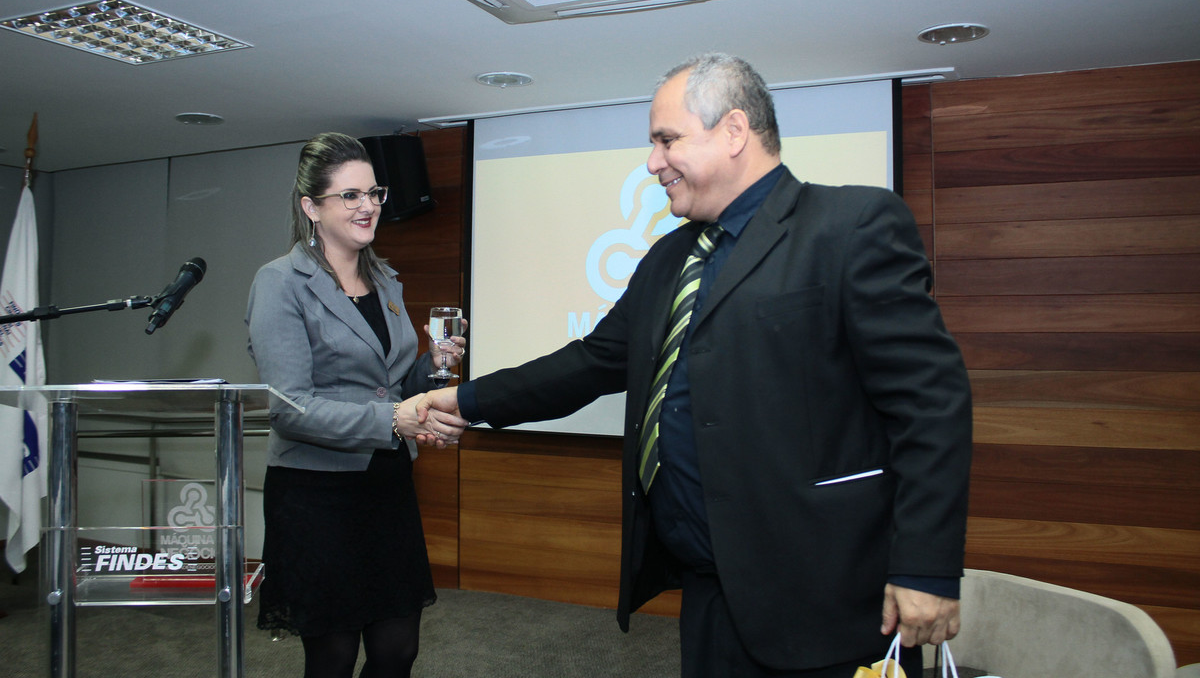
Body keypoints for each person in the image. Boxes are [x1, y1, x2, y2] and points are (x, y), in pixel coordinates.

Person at [417, 54, 972, 677]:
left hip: (824, 593)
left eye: (666, 140)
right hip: (709, 587)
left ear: (734, 131)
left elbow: (931, 404)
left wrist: (925, 566)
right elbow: (590, 362)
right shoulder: (668, 260)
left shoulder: (851, 226)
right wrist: (464, 402)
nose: (653, 162)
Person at [245, 132, 465, 678]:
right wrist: (394, 418)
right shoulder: (279, 283)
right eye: (349, 195)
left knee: (398, 649)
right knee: (333, 655)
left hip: (385, 486)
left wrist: (431, 364)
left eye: (373, 192)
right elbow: (288, 407)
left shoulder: (386, 279)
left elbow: (390, 387)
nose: (367, 205)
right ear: (310, 207)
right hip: (316, 494)